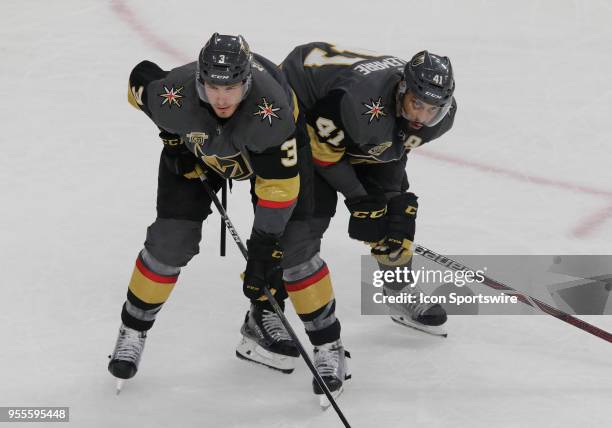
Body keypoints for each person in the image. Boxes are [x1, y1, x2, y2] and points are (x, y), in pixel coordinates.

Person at [108, 33, 310, 389]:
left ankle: (262, 316)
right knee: (170, 243)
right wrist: (171, 136)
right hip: (202, 154)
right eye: (212, 86)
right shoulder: (174, 94)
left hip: (263, 158)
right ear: (199, 78)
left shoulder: (273, 111)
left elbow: (278, 188)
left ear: (246, 81)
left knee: (278, 243)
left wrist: (264, 245)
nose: (220, 97)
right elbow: (139, 78)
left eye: (231, 87)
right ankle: (133, 329)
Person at [279, 42, 457, 345]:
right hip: (303, 102)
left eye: (432, 109)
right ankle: (265, 307)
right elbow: (325, 154)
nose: (422, 116)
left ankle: (398, 289)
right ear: (402, 89)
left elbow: (392, 152)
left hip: (355, 119)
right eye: (417, 104)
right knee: (307, 216)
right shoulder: (357, 103)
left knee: (397, 210)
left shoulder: (440, 117)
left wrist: (386, 206)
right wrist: (358, 198)